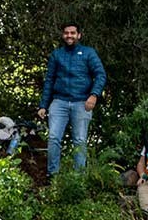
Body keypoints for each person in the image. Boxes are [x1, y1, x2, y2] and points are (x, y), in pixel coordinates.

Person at [36, 22, 107, 175]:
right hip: (59, 101)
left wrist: (93, 95)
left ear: (79, 35)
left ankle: (79, 178)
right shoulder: (57, 54)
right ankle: (52, 175)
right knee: (54, 138)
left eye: (72, 33)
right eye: (66, 33)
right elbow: (49, 80)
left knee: (80, 141)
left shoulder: (88, 53)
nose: (69, 35)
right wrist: (43, 105)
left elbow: (100, 75)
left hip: (82, 102)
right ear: (63, 35)